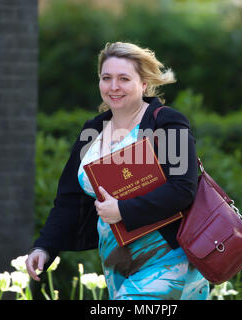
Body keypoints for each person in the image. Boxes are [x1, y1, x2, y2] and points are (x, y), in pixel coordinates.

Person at [26, 41, 210, 300]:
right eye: (106, 78)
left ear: (143, 83)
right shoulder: (92, 130)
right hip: (117, 263)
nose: (113, 87)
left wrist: (123, 210)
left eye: (124, 78)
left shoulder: (167, 122)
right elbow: (70, 200)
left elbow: (183, 189)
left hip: (169, 258)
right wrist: (45, 247)